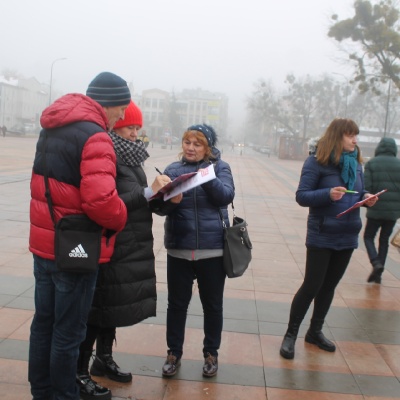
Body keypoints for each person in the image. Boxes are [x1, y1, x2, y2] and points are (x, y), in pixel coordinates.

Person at [28, 71, 132, 400]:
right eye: (121, 109)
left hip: (45, 242)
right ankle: (63, 394)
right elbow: (100, 200)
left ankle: (42, 391)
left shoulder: (53, 127)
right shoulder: (95, 135)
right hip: (75, 247)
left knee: (43, 323)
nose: (122, 116)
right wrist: (121, 215)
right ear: (111, 103)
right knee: (69, 330)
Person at [77, 101, 180, 399]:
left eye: (137, 128)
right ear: (116, 126)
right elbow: (112, 198)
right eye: (130, 127)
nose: (135, 133)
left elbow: (140, 198)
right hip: (112, 242)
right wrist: (149, 191)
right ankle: (80, 370)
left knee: (113, 307)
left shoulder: (131, 157)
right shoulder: (107, 153)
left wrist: (166, 197)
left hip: (130, 241)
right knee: (98, 310)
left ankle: (103, 359)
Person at [279, 118, 378, 360]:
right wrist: (328, 194)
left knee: (329, 286)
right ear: (337, 137)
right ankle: (290, 334)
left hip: (348, 232)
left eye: (356, 135)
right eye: (350, 135)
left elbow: (357, 192)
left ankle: (315, 331)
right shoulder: (316, 162)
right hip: (322, 232)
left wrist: (366, 197)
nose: (355, 139)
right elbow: (302, 196)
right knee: (312, 285)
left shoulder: (356, 163)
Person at [161, 124, 235, 378]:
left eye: (197, 144)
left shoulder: (220, 168)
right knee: (176, 305)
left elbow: (226, 196)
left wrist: (207, 178)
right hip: (179, 248)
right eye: (187, 142)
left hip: (212, 250)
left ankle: (211, 354)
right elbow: (160, 209)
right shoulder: (172, 170)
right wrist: (168, 201)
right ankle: (173, 353)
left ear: (208, 148)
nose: (191, 148)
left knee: (212, 305)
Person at [363, 137, 400, 283]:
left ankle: (375, 262)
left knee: (368, 236)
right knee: (384, 239)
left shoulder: (372, 163)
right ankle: (378, 273)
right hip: (393, 212)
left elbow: (367, 187)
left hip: (376, 208)